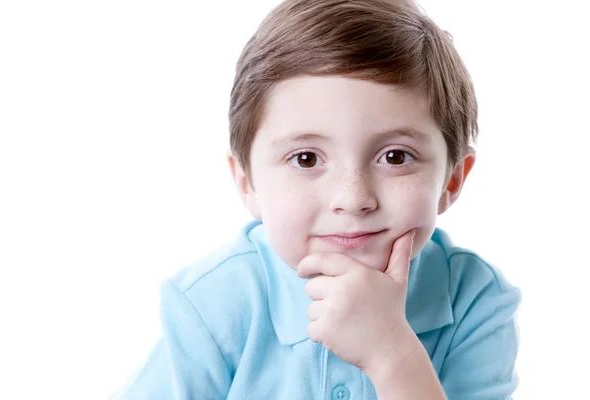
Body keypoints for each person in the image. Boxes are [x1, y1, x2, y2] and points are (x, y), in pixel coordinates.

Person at [113, 0, 521, 398]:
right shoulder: (215, 303)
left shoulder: (475, 300)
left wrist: (391, 353)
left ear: (452, 180)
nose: (352, 198)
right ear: (246, 182)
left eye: (395, 157)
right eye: (306, 158)